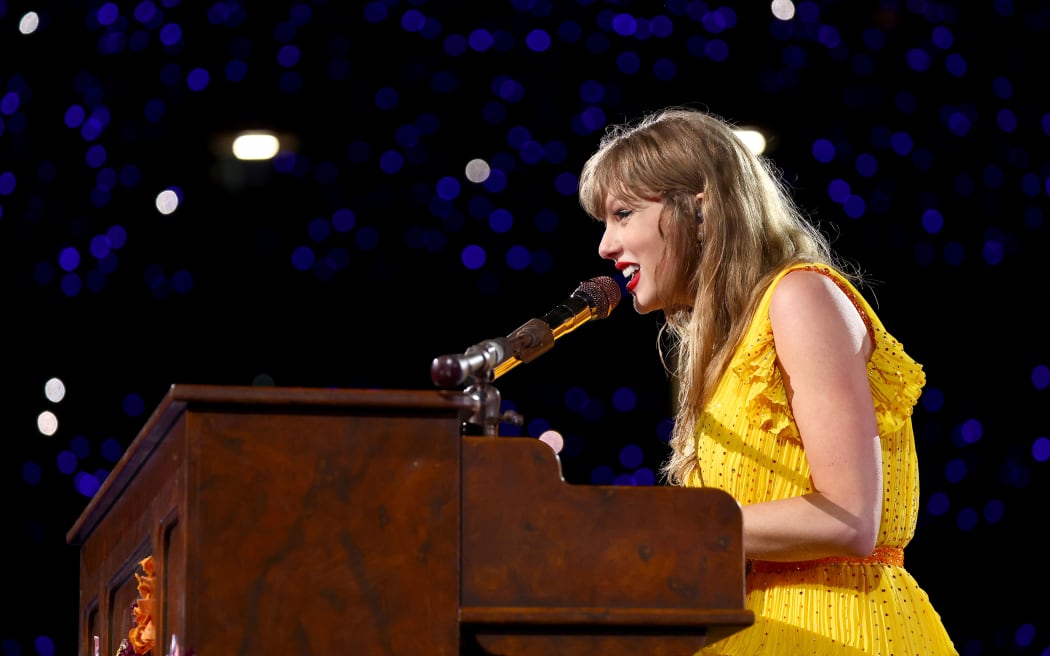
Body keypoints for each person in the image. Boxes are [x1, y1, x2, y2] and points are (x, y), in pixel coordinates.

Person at [574, 106, 958, 655]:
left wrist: (654, 528)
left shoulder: (799, 297)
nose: (605, 246)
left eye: (623, 214)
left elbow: (850, 516)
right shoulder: (728, 340)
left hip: (837, 631)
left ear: (699, 210)